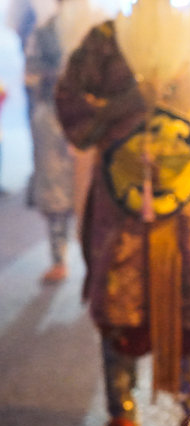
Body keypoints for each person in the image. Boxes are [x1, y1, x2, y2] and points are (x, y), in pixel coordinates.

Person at [55, 0, 190, 426]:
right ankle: (122, 416)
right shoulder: (103, 44)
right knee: (118, 303)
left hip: (189, 206)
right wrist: (120, 105)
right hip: (121, 206)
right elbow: (70, 105)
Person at [25, 0, 104, 282]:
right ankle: (60, 258)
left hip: (89, 118)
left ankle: (94, 262)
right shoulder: (45, 31)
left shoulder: (101, 29)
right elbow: (32, 76)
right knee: (56, 188)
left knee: (94, 189)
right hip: (56, 119)